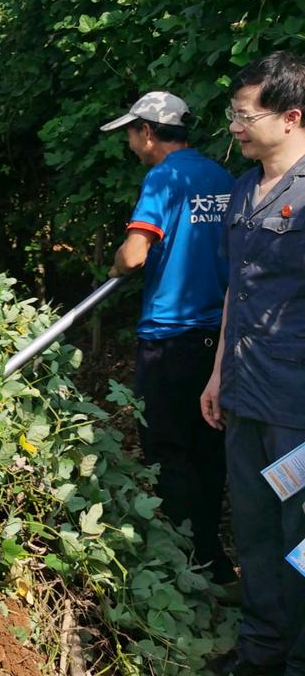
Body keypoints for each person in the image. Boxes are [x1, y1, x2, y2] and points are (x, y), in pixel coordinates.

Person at [100, 91, 235, 583]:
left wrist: (116, 265)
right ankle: (212, 555)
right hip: (217, 338)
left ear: (148, 132)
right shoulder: (223, 178)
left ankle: (185, 560)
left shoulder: (163, 177)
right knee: (207, 449)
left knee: (167, 449)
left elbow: (135, 254)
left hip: (169, 336)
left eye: (131, 134)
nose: (130, 144)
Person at [202, 51, 305, 676]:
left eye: (247, 115)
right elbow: (235, 292)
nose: (236, 127)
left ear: (291, 117)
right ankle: (259, 651)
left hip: (296, 408)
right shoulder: (243, 189)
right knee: (256, 528)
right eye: (234, 115)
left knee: (302, 537)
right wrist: (218, 374)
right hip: (245, 394)